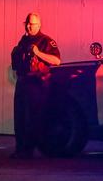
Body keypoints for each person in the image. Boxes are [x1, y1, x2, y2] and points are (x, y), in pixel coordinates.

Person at [10, 12, 61, 159]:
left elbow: (56, 61)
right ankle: (20, 149)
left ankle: (29, 150)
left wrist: (38, 53)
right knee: (20, 117)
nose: (28, 26)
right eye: (26, 23)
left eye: (31, 24)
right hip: (23, 82)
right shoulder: (23, 40)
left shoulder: (46, 41)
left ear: (38, 25)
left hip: (37, 84)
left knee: (32, 117)